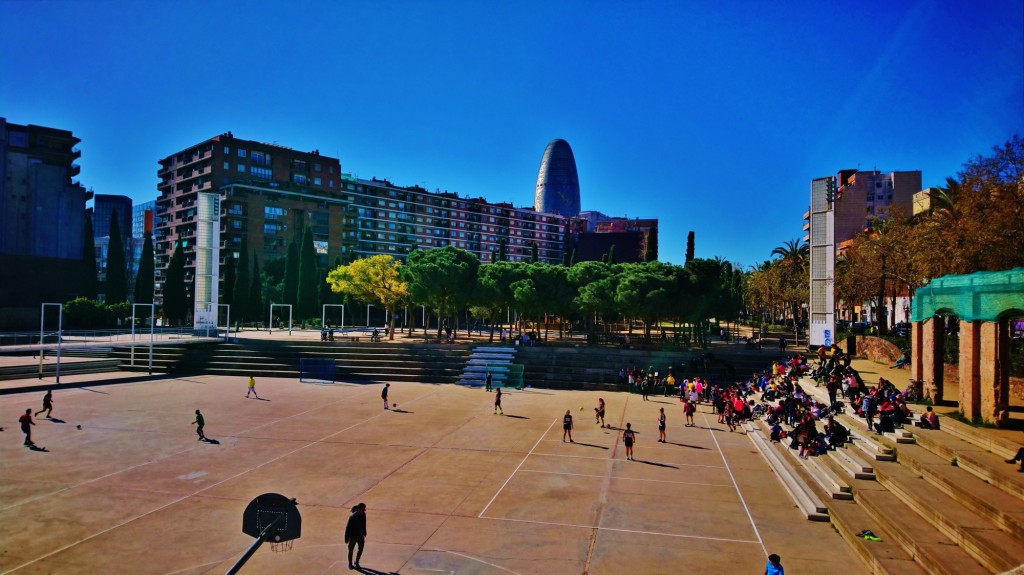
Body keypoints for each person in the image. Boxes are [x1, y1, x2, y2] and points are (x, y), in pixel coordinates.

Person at [345, 502, 367, 570]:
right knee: (351, 550)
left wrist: (364, 532)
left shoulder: (364, 515)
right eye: (363, 510)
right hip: (352, 536)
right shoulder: (352, 517)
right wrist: (346, 537)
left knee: (361, 549)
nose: (364, 511)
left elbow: (364, 524)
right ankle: (350, 563)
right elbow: (348, 527)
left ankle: (357, 562)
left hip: (360, 535)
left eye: (364, 510)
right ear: (358, 510)